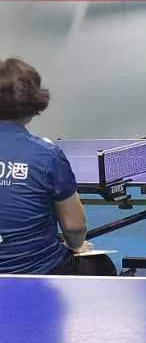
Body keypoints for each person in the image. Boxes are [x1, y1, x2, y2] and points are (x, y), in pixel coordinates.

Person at [0, 58, 115, 275]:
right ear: (34, 102)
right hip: (39, 270)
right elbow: (74, 227)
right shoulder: (47, 154)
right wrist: (76, 246)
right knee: (101, 266)